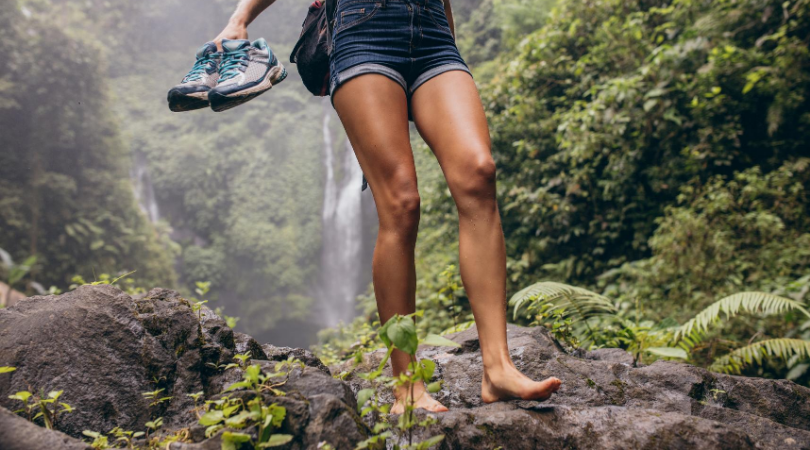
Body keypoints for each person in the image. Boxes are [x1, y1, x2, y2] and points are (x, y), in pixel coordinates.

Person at [211, 0, 562, 413]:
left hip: (434, 35)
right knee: (401, 202)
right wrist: (240, 19)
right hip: (365, 32)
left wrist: (447, 35)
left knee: (479, 173)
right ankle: (407, 387)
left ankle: (498, 369)